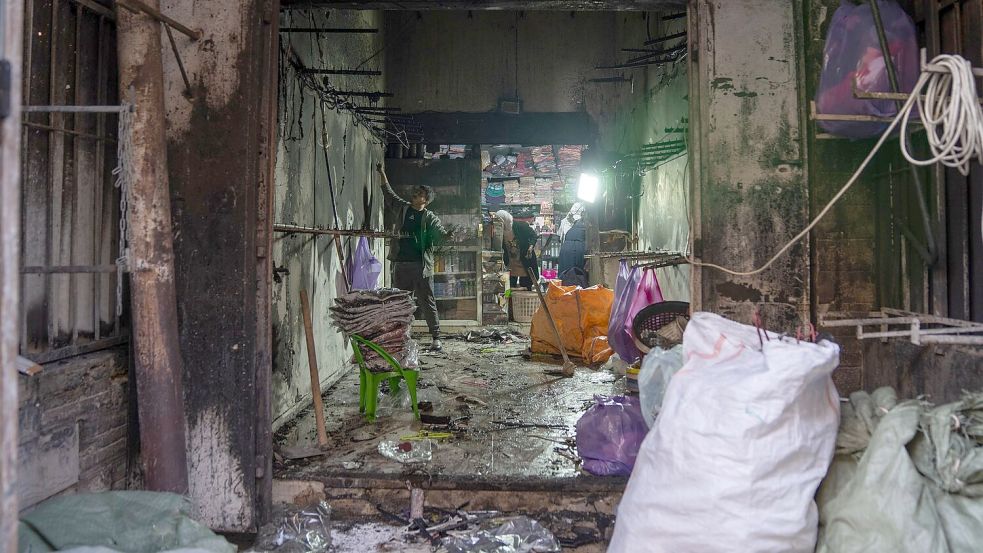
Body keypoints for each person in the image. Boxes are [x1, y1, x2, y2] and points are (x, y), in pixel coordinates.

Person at [376, 163, 448, 351]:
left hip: (421, 267)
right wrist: (382, 173)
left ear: (426, 200)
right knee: (400, 302)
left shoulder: (430, 217)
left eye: (419, 194)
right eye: (414, 193)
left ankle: (436, 337)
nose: (415, 196)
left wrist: (445, 235)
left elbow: (439, 231)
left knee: (427, 301)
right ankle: (401, 336)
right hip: (401, 264)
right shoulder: (404, 209)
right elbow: (389, 194)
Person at [493, 210, 540, 290]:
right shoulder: (499, 231)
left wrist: (531, 246)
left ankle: (524, 302)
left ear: (506, 220)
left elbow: (533, 236)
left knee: (526, 287)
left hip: (524, 260)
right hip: (511, 263)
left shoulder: (520, 226)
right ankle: (511, 302)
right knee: (509, 288)